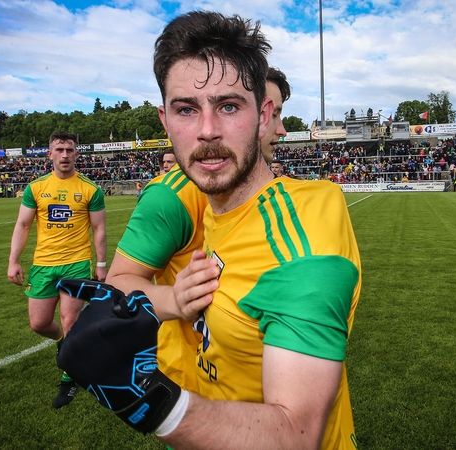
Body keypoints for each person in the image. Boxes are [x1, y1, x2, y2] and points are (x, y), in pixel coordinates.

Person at [59, 11, 361, 449]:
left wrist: (148, 401)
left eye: (229, 106)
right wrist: (172, 301)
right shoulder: (204, 203)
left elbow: (297, 435)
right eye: (186, 109)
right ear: (165, 123)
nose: (207, 131)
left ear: (264, 114)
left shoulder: (304, 234)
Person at [105, 66, 292, 394]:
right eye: (271, 114)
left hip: (273, 375)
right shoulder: (172, 197)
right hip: (197, 386)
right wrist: (174, 300)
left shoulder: (284, 196)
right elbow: (117, 285)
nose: (280, 129)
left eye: (276, 114)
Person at [7, 130, 107, 409]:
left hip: (76, 264)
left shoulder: (90, 189)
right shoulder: (36, 188)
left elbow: (99, 228)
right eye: (59, 150)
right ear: (49, 154)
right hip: (43, 265)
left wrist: (100, 264)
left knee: (70, 320)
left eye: (70, 149)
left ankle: (68, 380)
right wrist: (14, 260)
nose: (65, 154)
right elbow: (23, 225)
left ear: (77, 153)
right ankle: (64, 342)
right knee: (39, 323)